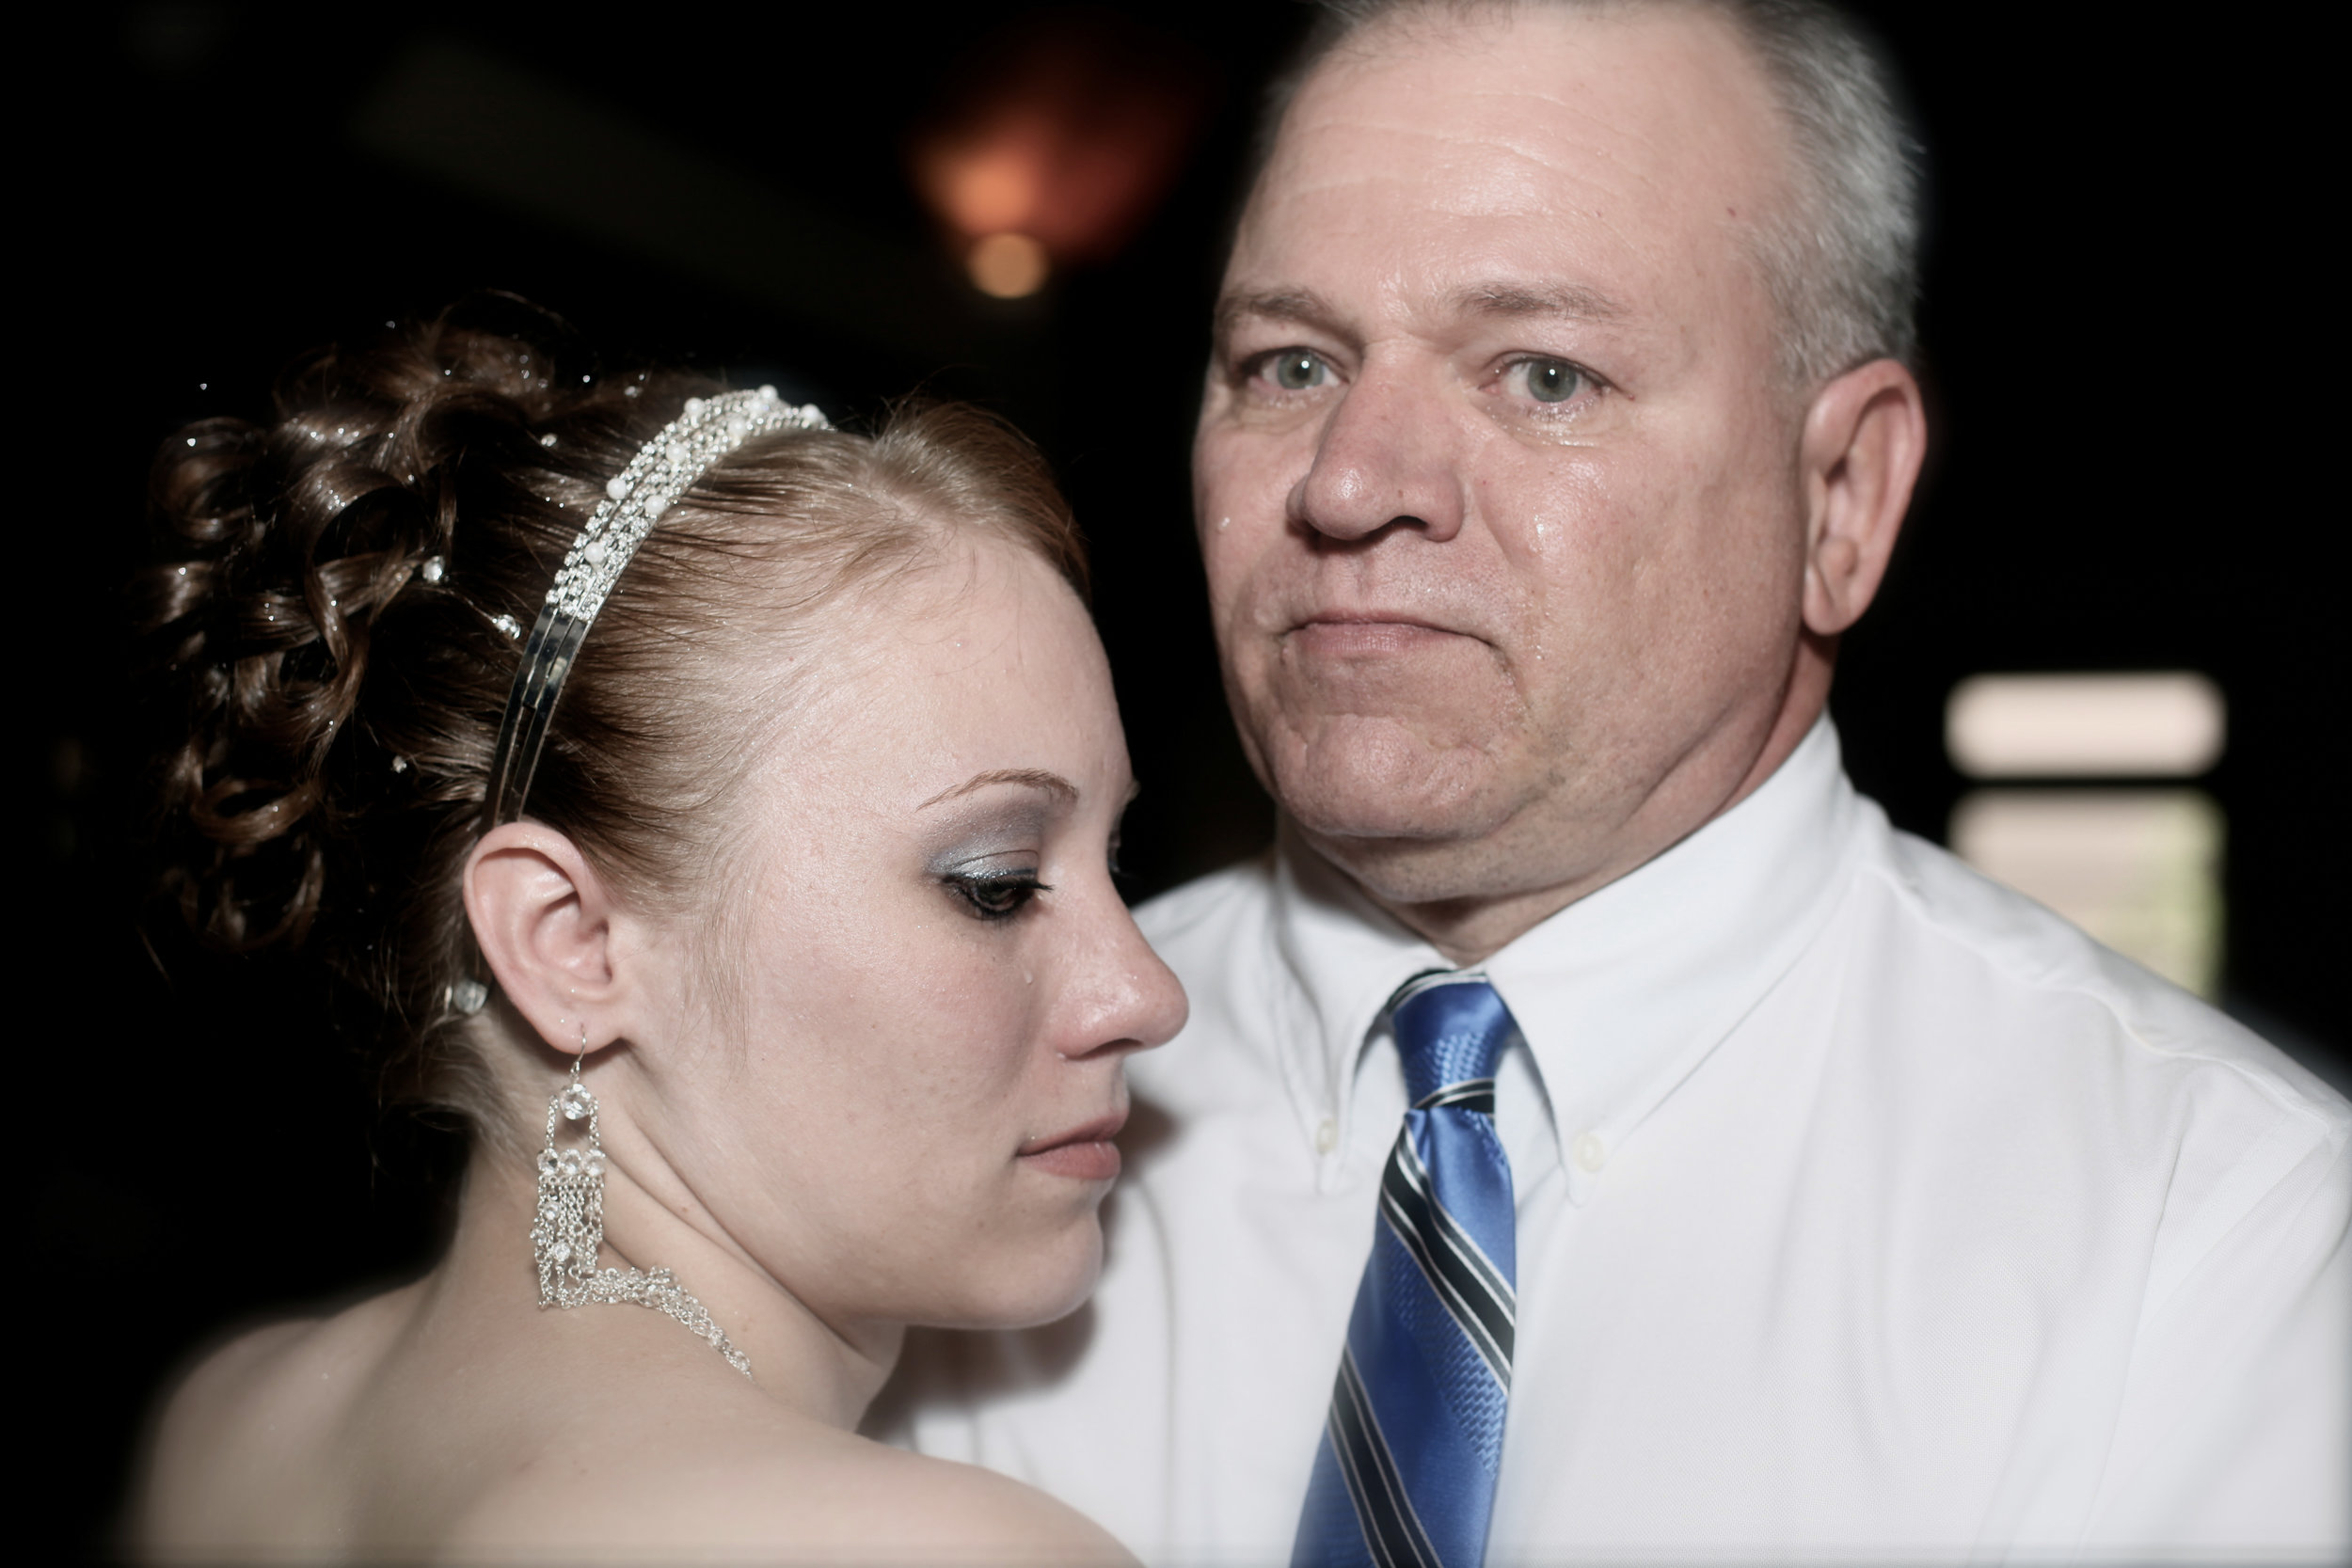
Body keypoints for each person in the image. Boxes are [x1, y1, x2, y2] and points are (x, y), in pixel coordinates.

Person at [887, 1, 2352, 1561]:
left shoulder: (2210, 1236)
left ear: (1842, 496)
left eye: (1544, 377)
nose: (1351, 483)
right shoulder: (924, 1091)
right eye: (1292, 361)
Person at [128, 302, 1185, 1560]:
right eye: (996, 882)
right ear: (572, 941)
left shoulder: (233, 1418)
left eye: (1114, 858)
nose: (1149, 991)